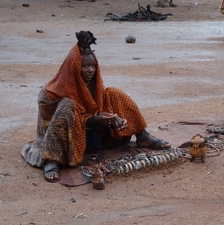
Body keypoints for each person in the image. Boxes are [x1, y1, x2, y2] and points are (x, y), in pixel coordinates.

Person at [21, 30, 171, 182]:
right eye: (85, 66)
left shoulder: (93, 85)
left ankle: (142, 136)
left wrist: (113, 119)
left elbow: (97, 107)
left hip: (92, 136)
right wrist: (93, 120)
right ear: (74, 67)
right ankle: (51, 160)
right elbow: (58, 124)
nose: (91, 70)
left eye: (93, 66)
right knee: (67, 105)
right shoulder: (51, 94)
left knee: (113, 93)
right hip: (68, 142)